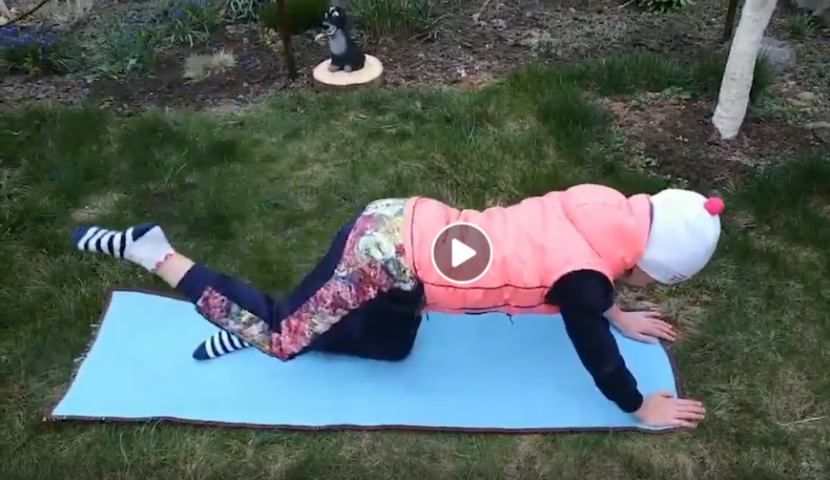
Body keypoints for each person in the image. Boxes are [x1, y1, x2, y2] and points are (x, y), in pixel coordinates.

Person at [71, 184, 722, 428]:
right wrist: (638, 406)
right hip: (382, 254)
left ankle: (301, 320)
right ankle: (157, 254)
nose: (645, 283)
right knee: (283, 338)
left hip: (408, 232)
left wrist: (614, 310)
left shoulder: (605, 206)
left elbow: (585, 277)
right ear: (652, 259)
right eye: (655, 279)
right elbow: (597, 352)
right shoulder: (588, 282)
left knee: (393, 345)